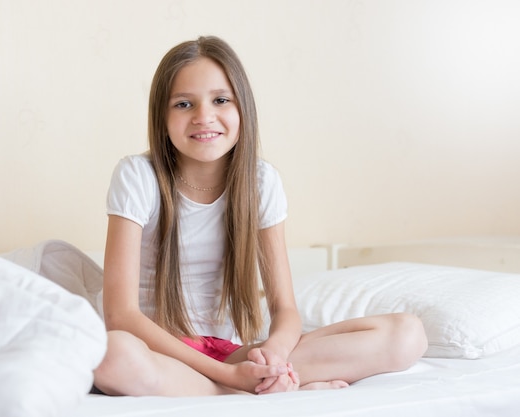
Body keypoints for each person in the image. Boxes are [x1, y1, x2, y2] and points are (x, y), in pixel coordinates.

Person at [92, 36, 428, 396]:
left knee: (407, 334)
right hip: (161, 354)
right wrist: (230, 376)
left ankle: (249, 386)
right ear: (162, 117)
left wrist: (272, 358)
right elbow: (121, 316)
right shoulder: (138, 176)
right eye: (184, 104)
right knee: (111, 355)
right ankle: (239, 392)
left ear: (243, 110)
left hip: (233, 354)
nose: (204, 116)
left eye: (220, 100)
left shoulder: (261, 182)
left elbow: (285, 310)